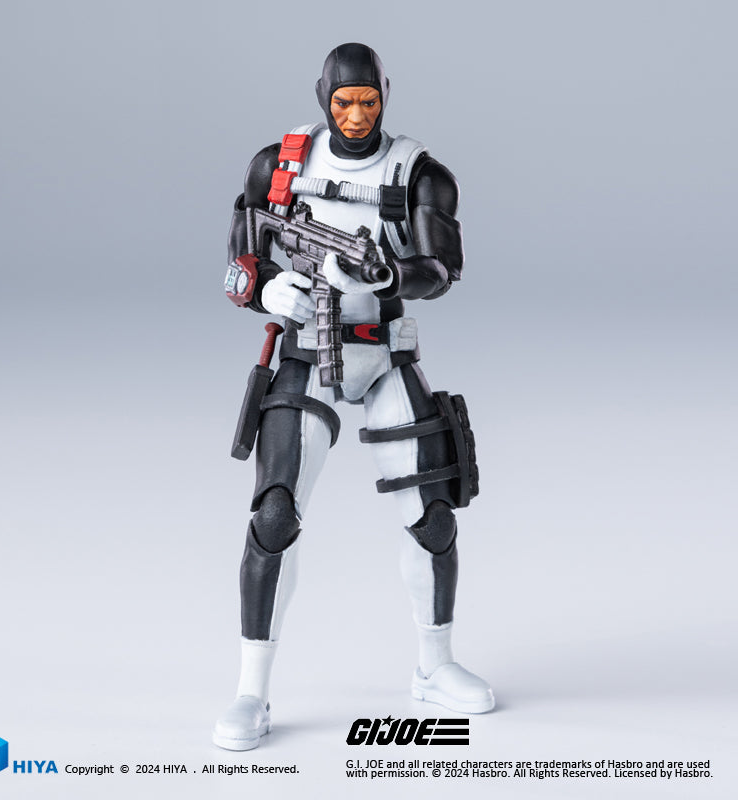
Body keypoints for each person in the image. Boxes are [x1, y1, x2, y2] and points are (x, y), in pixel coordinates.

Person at [214, 43, 494, 751]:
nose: (357, 115)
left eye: (369, 101)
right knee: (274, 515)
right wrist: (264, 291)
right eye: (344, 102)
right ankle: (251, 691)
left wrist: (384, 277)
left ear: (386, 95)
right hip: (307, 348)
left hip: (383, 347)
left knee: (432, 517)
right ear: (323, 97)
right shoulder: (279, 165)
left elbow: (440, 269)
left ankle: (434, 666)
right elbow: (241, 258)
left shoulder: (418, 174)